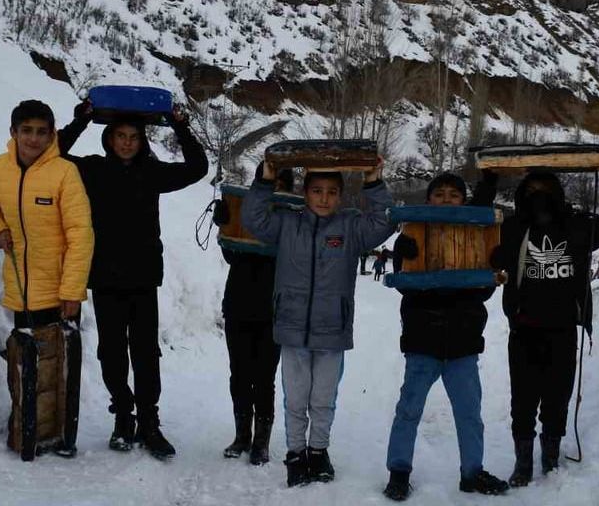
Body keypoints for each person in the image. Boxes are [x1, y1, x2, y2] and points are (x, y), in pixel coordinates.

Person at [56, 99, 208, 460]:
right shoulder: (92, 170)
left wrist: (180, 126)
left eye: (134, 137)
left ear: (142, 141)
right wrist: (81, 121)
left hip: (142, 278)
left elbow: (197, 168)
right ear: (109, 139)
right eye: (120, 136)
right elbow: (54, 155)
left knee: (145, 353)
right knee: (111, 353)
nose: (127, 143)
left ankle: (149, 422)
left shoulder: (152, 173)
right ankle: (123, 415)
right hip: (105, 278)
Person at [242, 160, 394, 487]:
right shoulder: (287, 224)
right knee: (296, 400)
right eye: (317, 191)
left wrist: (373, 182)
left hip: (332, 331)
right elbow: (253, 218)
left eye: (332, 192)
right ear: (305, 193)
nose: (324, 198)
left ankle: (318, 451)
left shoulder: (351, 228)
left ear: (341, 195)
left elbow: (384, 221)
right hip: (292, 328)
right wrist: (265, 181)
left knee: (323, 400)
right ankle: (296, 454)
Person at [485, 166, 599, 486]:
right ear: (522, 195)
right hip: (523, 329)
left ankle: (550, 455)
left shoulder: (576, 227)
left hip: (563, 329)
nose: (539, 197)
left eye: (546, 190)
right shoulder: (512, 229)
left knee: (557, 398)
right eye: (531, 191)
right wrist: (489, 180)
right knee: (523, 401)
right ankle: (523, 462)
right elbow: (477, 225)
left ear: (558, 194)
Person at [0, 100, 94, 458]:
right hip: (20, 288)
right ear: (13, 132)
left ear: (52, 134)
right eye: (26, 130)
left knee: (61, 367)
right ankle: (28, 427)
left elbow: (81, 234)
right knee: (26, 363)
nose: (33, 138)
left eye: (42, 132)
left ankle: (60, 434)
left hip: (59, 291)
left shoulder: (64, 173)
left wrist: (72, 290)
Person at [381, 173, 509, 501]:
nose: (447, 199)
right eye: (439, 194)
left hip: (463, 341)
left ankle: (472, 472)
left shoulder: (473, 236)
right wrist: (404, 256)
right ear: (428, 200)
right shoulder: (413, 233)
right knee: (409, 409)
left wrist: (492, 266)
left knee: (469, 413)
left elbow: (484, 292)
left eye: (454, 194)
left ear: (463, 201)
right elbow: (405, 286)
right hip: (422, 339)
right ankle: (398, 472)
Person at [211, 165, 297, 466]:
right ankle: (241, 436)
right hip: (238, 304)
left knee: (263, 378)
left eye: (281, 184)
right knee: (239, 374)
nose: (275, 189)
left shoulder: (293, 219)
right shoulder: (245, 212)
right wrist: (224, 224)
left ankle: (261, 442)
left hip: (273, 310)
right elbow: (232, 255)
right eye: (269, 183)